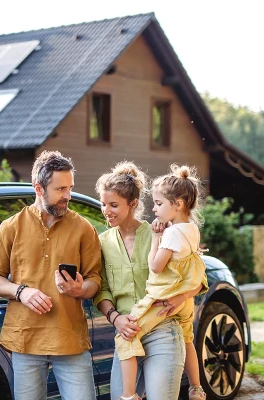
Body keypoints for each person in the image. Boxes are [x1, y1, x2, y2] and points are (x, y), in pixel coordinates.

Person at [0, 150, 102, 400]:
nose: (68, 196)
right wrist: (21, 292)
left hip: (69, 339)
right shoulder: (11, 227)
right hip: (25, 340)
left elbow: (95, 279)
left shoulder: (84, 229)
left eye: (69, 188)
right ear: (38, 188)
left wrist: (81, 290)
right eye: (60, 189)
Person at [93, 161, 207, 400]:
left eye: (113, 205)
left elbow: (195, 276)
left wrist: (181, 297)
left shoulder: (162, 232)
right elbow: (101, 290)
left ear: (132, 204)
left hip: (164, 330)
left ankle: (196, 388)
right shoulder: (102, 242)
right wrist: (116, 319)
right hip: (127, 332)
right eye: (104, 204)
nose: (106, 211)